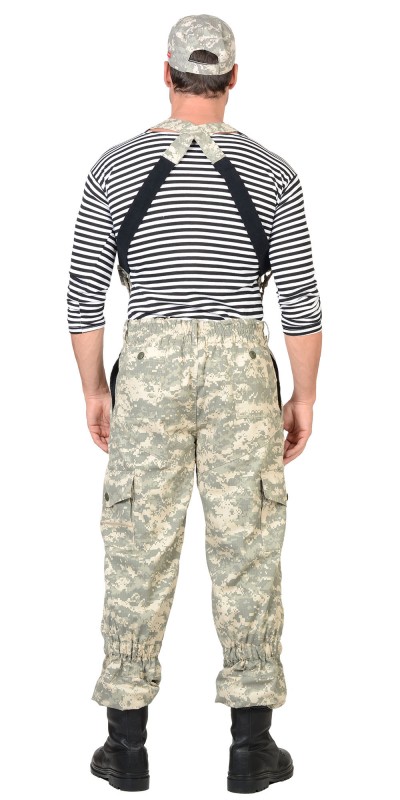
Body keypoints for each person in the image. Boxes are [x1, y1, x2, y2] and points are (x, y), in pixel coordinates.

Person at [67, 13, 322, 794]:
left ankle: (125, 747)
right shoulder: (273, 173)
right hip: (242, 367)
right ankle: (251, 747)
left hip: (148, 366)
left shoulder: (115, 167)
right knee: (248, 547)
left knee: (138, 545)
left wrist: (94, 386)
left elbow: (83, 295)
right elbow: (301, 301)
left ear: (166, 73)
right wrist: (304, 394)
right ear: (233, 78)